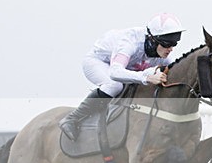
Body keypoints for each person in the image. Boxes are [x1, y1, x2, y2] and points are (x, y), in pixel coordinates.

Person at [58, 13, 185, 141]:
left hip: (123, 66)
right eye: (167, 44)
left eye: (174, 44)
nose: (170, 49)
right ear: (152, 39)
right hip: (99, 62)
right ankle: (72, 118)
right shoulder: (130, 42)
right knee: (114, 85)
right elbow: (115, 72)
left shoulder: (163, 53)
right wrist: (146, 78)